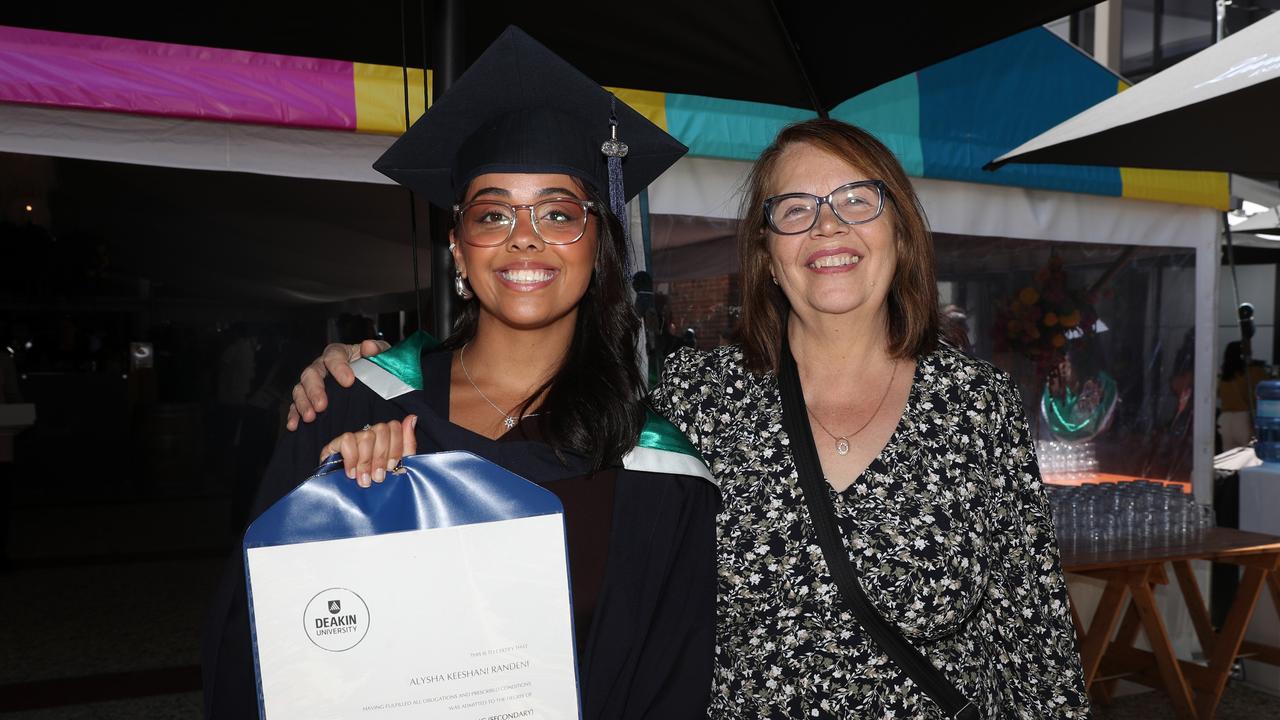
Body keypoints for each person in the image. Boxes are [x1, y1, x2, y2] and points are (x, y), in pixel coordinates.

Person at [291, 119, 1089, 717]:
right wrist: (369, 375)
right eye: (795, 209)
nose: (828, 228)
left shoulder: (975, 406)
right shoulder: (695, 402)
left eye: (856, 200)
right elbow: (554, 505)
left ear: (900, 228)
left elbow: (1035, 634)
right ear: (766, 250)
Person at [202, 27, 718, 720]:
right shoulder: (351, 406)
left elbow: (669, 676)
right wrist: (336, 513)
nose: (525, 237)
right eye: (492, 213)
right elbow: (258, 640)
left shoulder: (650, 463)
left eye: (560, 212)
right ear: (457, 248)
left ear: (599, 247)